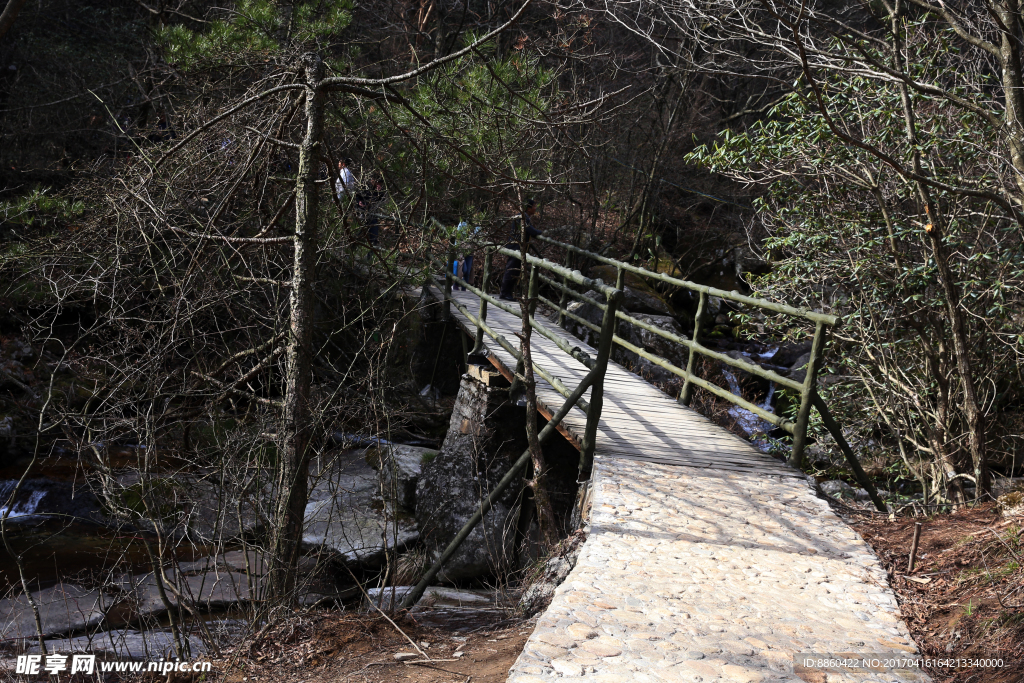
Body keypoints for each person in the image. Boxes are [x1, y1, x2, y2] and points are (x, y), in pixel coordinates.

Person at [499, 199, 542, 300]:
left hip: (516, 247)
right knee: (511, 270)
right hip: (515, 247)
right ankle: (504, 293)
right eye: (534, 206)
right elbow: (530, 230)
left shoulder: (523, 216)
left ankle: (507, 293)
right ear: (528, 208)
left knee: (514, 271)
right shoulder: (523, 217)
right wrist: (540, 232)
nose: (535, 208)